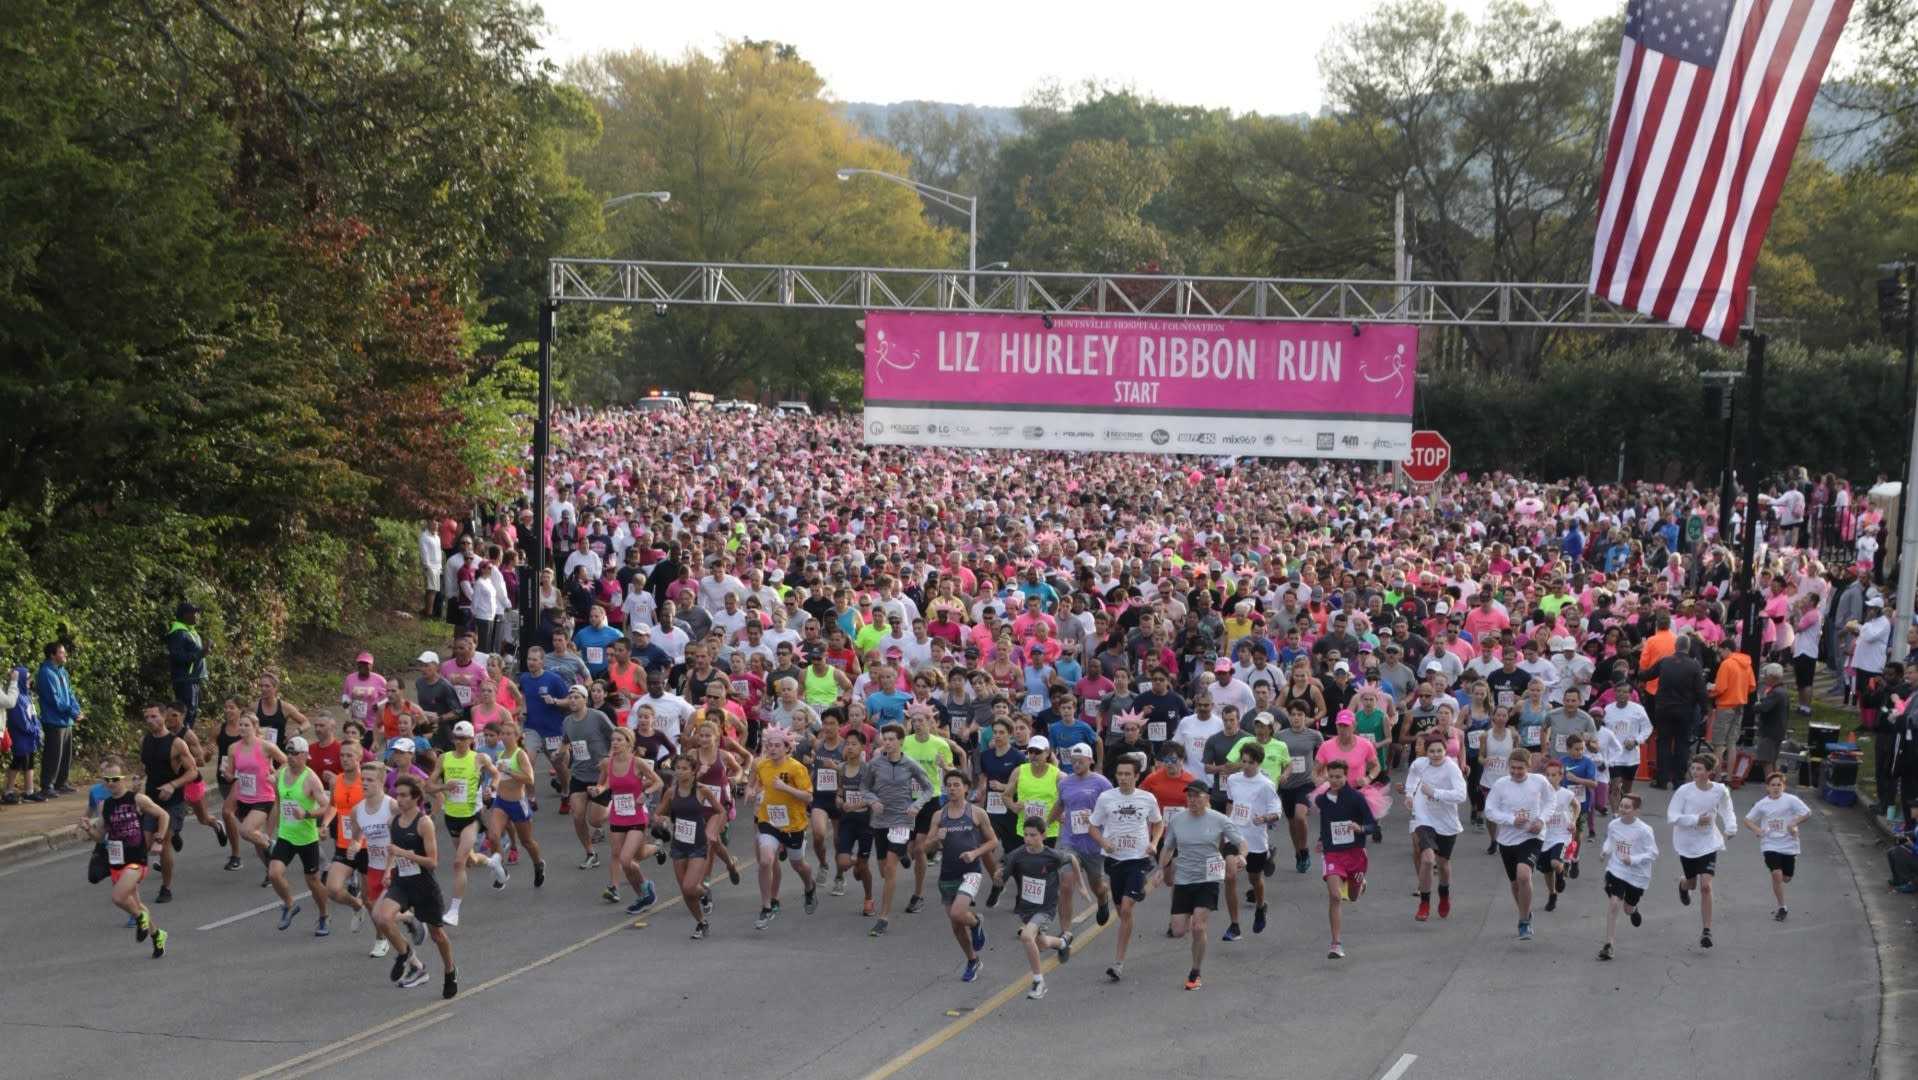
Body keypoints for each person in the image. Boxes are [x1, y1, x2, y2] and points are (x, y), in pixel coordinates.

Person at [374, 775, 457, 997]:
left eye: (403, 795)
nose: (398, 799)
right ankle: (407, 955)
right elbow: (393, 850)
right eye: (397, 794)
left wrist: (405, 854)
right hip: (402, 882)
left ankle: (450, 970)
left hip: (423, 885)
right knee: (382, 917)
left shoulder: (424, 823)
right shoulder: (393, 822)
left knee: (437, 934)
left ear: (416, 798)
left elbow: (432, 862)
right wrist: (388, 871)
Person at [81, 758, 170, 959]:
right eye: (107, 779)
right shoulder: (105, 806)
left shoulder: (137, 799)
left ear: (123, 778)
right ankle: (157, 935)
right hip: (116, 860)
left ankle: (141, 918)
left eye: (115, 778)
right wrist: (89, 830)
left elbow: (163, 815)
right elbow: (101, 837)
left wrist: (159, 839)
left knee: (118, 898)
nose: (111, 783)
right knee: (136, 904)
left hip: (136, 859)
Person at [1087, 752, 1164, 981]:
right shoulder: (1106, 798)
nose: (1122, 778)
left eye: (1127, 774)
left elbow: (1158, 823)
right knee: (1121, 911)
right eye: (1119, 774)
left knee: (1127, 907)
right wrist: (1104, 842)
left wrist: (1153, 843)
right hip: (1114, 860)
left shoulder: (1147, 798)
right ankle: (1126, 925)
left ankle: (1118, 963)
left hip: (1138, 859)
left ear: (1137, 776)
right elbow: (1092, 827)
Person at [1163, 780, 1245, 990]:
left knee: (1198, 926)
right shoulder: (1177, 820)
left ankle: (1195, 971)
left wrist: (1241, 857)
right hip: (1183, 878)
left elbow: (1240, 842)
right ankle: (1191, 933)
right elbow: (1168, 848)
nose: (1192, 800)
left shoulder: (1219, 819)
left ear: (1206, 798)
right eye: (1189, 796)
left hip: (1209, 877)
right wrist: (1162, 869)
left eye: (1196, 796)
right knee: (1179, 930)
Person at [427, 719, 507, 925]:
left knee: (458, 862)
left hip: (472, 817)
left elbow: (496, 774)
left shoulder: (479, 758)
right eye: (456, 738)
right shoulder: (444, 759)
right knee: (470, 860)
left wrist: (493, 787)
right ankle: (492, 861)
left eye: (463, 739)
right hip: (451, 816)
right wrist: (444, 787)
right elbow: (428, 786)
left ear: (472, 740)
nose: (459, 742)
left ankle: (454, 911)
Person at [860, 723, 933, 937]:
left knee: (890, 869)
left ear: (901, 741)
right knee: (883, 869)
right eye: (885, 739)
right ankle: (902, 852)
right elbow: (864, 787)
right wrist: (872, 801)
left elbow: (928, 788)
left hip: (902, 819)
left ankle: (883, 918)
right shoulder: (874, 764)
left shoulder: (910, 764)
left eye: (892, 739)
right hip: (881, 820)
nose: (888, 743)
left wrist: (916, 805)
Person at [929, 769, 999, 981]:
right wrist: (935, 840)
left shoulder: (977, 813)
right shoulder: (939, 816)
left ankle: (976, 922)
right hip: (947, 875)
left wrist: (975, 853)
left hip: (971, 872)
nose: (952, 788)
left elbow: (993, 842)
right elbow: (924, 849)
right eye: (948, 785)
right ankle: (972, 960)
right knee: (957, 926)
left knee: (958, 913)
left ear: (966, 788)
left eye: (956, 785)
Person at [749, 727, 817, 928]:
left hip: (793, 824)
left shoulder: (796, 768)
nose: (772, 749)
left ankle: (809, 885)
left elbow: (808, 797)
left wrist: (785, 787)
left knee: (798, 865)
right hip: (768, 820)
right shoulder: (762, 765)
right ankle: (766, 906)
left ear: (787, 748)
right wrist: (751, 790)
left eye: (777, 745)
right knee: (765, 860)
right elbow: (755, 783)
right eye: (769, 745)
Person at [1668, 753, 1737, 948]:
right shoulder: (1684, 791)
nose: (1695, 772)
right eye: (1693, 768)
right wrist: (1695, 820)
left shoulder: (1720, 790)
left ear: (1709, 772)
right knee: (1691, 884)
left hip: (1708, 842)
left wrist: (1731, 827)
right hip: (1687, 843)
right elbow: (1672, 816)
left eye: (1699, 769)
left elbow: (1727, 810)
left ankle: (1706, 931)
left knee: (1706, 886)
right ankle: (1683, 885)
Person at [266, 736, 333, 934]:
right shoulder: (281, 775)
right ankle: (289, 904)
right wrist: (270, 833)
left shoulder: (311, 779)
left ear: (305, 755)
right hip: (286, 835)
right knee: (274, 873)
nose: (291, 757)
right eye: (289, 753)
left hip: (307, 838)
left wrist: (307, 814)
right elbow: (277, 805)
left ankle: (323, 916)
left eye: (295, 754)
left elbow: (326, 807)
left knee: (312, 880)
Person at [1484, 748, 1551, 941]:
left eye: (1520, 768)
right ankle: (1526, 912)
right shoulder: (1500, 785)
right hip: (1507, 839)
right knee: (1515, 884)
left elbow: (1550, 801)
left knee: (1524, 874)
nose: (1515, 772)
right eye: (1512, 768)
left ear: (1528, 767)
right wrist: (1510, 819)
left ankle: (1523, 922)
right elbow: (1490, 811)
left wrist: (1541, 820)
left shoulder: (1539, 782)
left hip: (1532, 836)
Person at [1004, 819, 1076, 1000]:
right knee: (1041, 943)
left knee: (1027, 936)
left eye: (1033, 835)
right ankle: (1062, 944)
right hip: (1027, 908)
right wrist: (999, 875)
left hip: (1046, 907)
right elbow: (1003, 866)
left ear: (1043, 835)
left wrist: (1081, 886)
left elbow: (1073, 858)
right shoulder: (1018, 854)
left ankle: (1039, 982)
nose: (1028, 838)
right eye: (1026, 834)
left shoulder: (1052, 855)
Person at [1314, 759, 1379, 959]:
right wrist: (1320, 840)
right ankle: (1336, 944)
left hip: (1356, 854)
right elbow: (1326, 823)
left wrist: (1360, 828)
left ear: (1346, 776)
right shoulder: (1322, 800)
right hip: (1333, 853)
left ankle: (1360, 884)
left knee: (1352, 897)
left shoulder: (1357, 798)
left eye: (1338, 777)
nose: (1334, 780)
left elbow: (1372, 825)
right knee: (1335, 896)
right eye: (1330, 776)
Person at [1401, 732, 1466, 921]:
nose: (1436, 754)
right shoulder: (1419, 764)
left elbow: (1461, 795)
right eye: (1432, 751)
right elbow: (1412, 778)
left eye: (1440, 751)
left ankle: (1444, 895)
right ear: (1426, 752)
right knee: (1428, 860)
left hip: (1446, 821)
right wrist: (1409, 795)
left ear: (1446, 751)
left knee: (1443, 864)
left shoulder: (1452, 768)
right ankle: (1424, 902)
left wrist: (1435, 793)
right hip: (1424, 817)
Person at [138, 703, 197, 904]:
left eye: (154, 716)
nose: (150, 721)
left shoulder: (177, 743)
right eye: (147, 717)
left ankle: (166, 887)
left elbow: (193, 771)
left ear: (163, 717)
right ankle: (131, 888)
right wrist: (137, 782)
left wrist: (172, 785)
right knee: (144, 844)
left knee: (163, 844)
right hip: (150, 799)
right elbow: (145, 766)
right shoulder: (144, 740)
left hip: (173, 801)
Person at [1223, 743, 1282, 935]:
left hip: (1255, 839)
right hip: (1235, 836)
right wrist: (1226, 825)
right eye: (1244, 761)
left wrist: (1264, 818)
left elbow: (1276, 812)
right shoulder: (1233, 779)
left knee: (1255, 878)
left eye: (1250, 762)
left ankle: (1260, 906)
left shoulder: (1266, 784)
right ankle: (1234, 924)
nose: (1246, 766)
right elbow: (1230, 803)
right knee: (1230, 876)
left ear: (1258, 763)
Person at [1597, 793, 1658, 961]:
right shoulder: (1614, 824)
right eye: (1621, 806)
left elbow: (1653, 853)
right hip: (1616, 869)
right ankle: (1609, 944)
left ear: (1636, 811)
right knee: (1614, 902)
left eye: (1627, 807)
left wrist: (1634, 859)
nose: (1623, 809)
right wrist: (1605, 851)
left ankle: (1633, 909)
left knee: (1627, 908)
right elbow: (1610, 841)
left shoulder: (1645, 830)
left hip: (1637, 874)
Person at [560, 684, 616, 868]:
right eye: (571, 697)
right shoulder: (567, 721)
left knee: (595, 820)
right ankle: (590, 852)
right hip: (579, 773)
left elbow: (617, 737)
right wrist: (560, 752)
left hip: (600, 775)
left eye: (577, 697)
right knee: (577, 815)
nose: (573, 700)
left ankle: (613, 804)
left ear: (585, 699)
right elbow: (566, 740)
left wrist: (608, 758)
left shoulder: (598, 717)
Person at [1744, 770, 1811, 920]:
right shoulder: (1762, 804)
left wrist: (1794, 822)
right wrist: (1758, 830)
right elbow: (1747, 820)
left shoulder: (1791, 800)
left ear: (1784, 786)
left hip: (1789, 844)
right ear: (1767, 787)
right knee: (1776, 874)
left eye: (1779, 785)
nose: (1776, 788)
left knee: (1786, 878)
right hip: (1770, 843)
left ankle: (1781, 879)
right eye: (1773, 785)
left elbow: (1806, 812)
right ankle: (1782, 907)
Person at [1276, 703, 1324, 872]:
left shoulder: (1315, 735)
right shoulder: (1280, 736)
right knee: (1291, 822)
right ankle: (1298, 853)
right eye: (1293, 714)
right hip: (1287, 784)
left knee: (1300, 816)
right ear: (1289, 717)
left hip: (1306, 783)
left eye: (1300, 714)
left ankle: (1304, 850)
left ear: (1306, 717)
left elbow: (1323, 756)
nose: (1296, 718)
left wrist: (1320, 776)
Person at [34, 641, 82, 798]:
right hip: (53, 720)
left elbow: (70, 694)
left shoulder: (63, 672)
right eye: (61, 652)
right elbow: (55, 700)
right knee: (53, 754)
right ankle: (47, 785)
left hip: (66, 720)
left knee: (65, 754)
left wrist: (76, 711)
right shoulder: (45, 673)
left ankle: (62, 783)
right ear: (52, 655)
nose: (65, 654)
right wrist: (72, 713)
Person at [1537, 758, 1580, 914]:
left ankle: (1561, 873)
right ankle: (1552, 894)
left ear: (1561, 776)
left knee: (1555, 863)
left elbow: (1577, 805)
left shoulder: (1566, 794)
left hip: (1561, 834)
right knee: (1547, 871)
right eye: (1548, 775)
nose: (1550, 778)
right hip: (1543, 836)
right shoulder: (1539, 794)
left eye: (1554, 775)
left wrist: (1573, 821)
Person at [165, 601, 208, 730]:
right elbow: (177, 657)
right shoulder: (179, 633)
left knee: (192, 711)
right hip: (184, 679)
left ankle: (186, 741)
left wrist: (205, 650)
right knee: (185, 712)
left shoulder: (191, 632)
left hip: (193, 679)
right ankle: (179, 742)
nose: (197, 616)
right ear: (185, 615)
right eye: (195, 613)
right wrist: (201, 653)